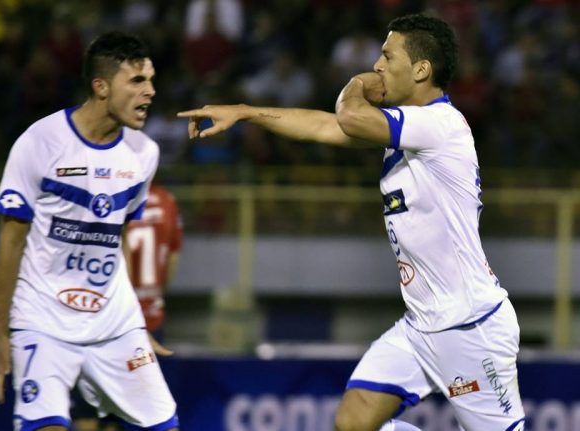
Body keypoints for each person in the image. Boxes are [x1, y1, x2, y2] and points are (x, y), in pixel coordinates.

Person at [177, 13, 525, 431]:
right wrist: (246, 112)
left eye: (387, 55)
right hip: (421, 325)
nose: (378, 65)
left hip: (472, 326)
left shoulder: (440, 125)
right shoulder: (407, 130)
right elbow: (325, 126)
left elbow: (348, 116)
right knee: (354, 422)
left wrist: (357, 84)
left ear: (421, 70)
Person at [0, 31, 180, 431]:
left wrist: (136, 319)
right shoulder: (40, 143)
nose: (151, 91)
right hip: (42, 320)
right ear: (101, 86)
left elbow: (118, 241)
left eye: (151, 80)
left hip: (114, 325)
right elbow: (9, 244)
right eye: (137, 81)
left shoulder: (145, 153)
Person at [126, 183, 184, 342]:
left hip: (119, 313)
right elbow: (173, 258)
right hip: (153, 310)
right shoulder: (167, 199)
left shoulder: (118, 195)